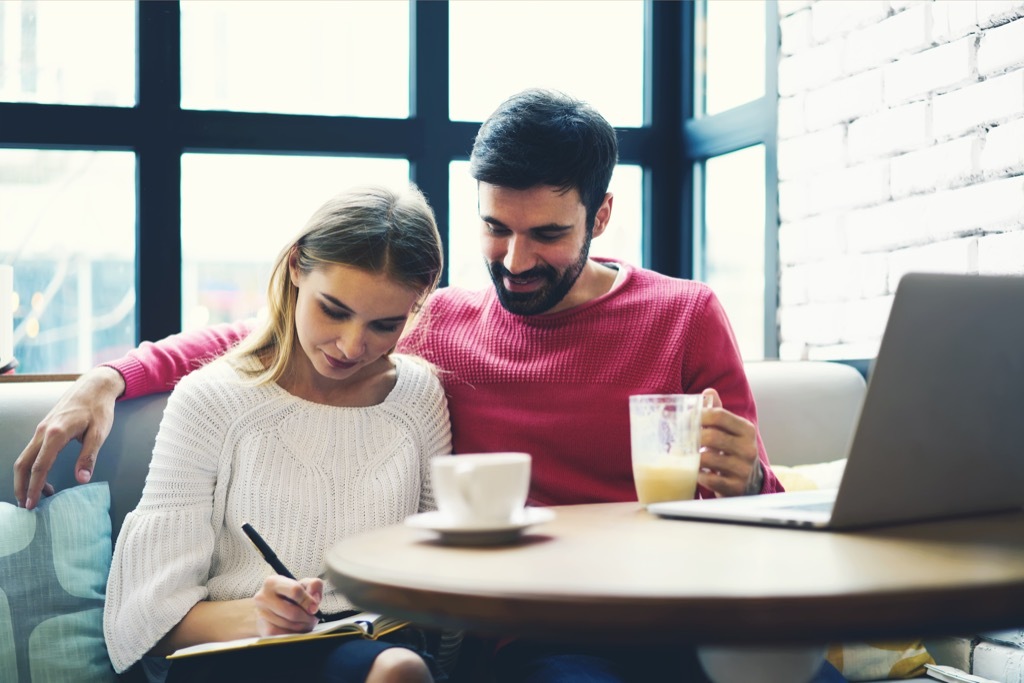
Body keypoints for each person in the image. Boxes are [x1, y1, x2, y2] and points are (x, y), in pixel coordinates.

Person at [15, 89, 833, 681]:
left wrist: (748, 480)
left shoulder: (686, 316)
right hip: (539, 636)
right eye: (495, 229)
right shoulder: (433, 322)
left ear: (602, 215)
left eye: (547, 235)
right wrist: (111, 374)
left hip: (684, 613)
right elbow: (272, 344)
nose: (515, 262)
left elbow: (755, 509)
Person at [101, 184, 453, 683]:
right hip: (234, 653)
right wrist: (257, 615)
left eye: (385, 324)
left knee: (399, 668)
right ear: (294, 267)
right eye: (333, 310)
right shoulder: (211, 401)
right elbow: (145, 621)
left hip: (371, 650)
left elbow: (442, 569)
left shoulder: (418, 396)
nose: (352, 345)